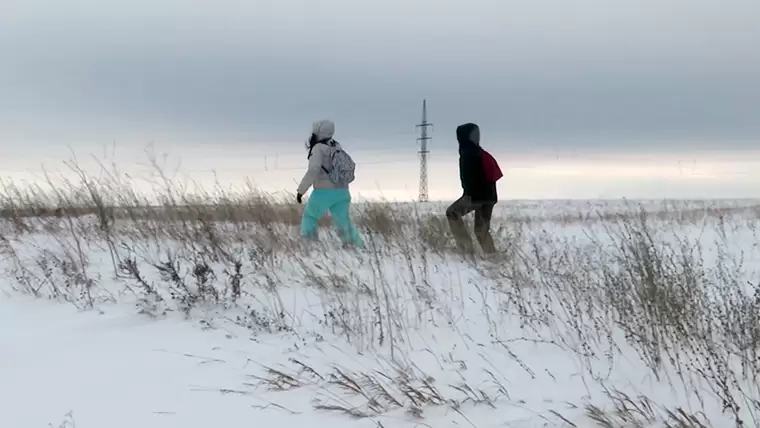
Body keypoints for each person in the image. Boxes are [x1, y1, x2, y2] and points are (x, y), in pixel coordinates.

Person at [296, 119, 364, 248]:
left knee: (310, 216)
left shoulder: (318, 148)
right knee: (343, 221)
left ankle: (309, 244)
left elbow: (313, 170)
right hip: (342, 191)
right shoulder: (336, 146)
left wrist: (301, 190)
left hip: (323, 191)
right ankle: (355, 245)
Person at [445, 122, 498, 254]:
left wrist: (468, 194)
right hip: (490, 196)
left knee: (452, 213)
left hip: (476, 196)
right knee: (481, 230)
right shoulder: (479, 152)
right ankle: (492, 256)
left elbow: (469, 178)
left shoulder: (468, 153)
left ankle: (465, 249)